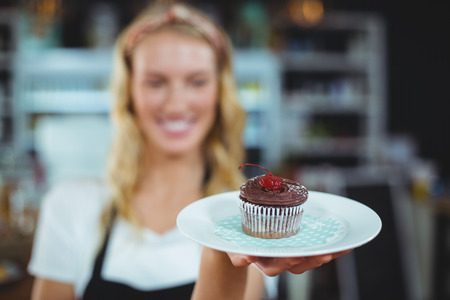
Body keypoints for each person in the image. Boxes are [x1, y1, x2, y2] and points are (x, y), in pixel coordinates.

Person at [27, 2, 351, 299]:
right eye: (155, 82)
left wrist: (226, 250)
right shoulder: (70, 205)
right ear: (128, 93)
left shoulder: (248, 217)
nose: (176, 104)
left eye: (197, 81)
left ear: (219, 93)